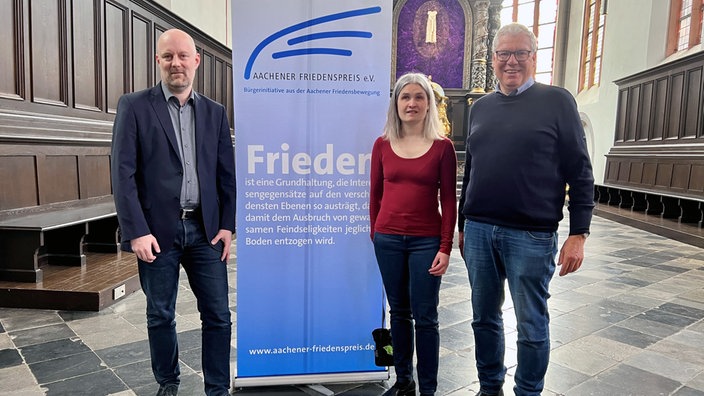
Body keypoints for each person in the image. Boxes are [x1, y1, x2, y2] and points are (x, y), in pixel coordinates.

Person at [457, 23, 594, 396]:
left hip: (531, 235)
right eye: (503, 54)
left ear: (535, 57)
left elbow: (580, 171)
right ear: (495, 59)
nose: (511, 61)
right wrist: (462, 224)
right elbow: (473, 168)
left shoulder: (557, 101)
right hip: (480, 231)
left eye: (520, 53)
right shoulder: (481, 107)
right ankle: (489, 388)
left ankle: (528, 391)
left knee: (532, 323)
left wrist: (578, 234)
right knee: (484, 319)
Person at [111, 28, 236, 396]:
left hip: (205, 232)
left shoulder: (215, 112)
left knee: (218, 316)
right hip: (156, 232)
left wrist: (227, 227)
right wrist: (136, 230)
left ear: (196, 61)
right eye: (168, 57)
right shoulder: (134, 106)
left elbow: (226, 175)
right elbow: (123, 173)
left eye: (183, 56)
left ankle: (216, 388)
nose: (176, 63)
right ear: (158, 61)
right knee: (160, 315)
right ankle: (168, 382)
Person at [370, 72, 457, 396]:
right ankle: (403, 380)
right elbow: (375, 196)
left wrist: (445, 246)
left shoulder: (442, 148)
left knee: (426, 316)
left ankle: (429, 389)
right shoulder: (382, 145)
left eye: (419, 97)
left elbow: (449, 200)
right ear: (396, 103)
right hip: (388, 240)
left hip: (426, 241)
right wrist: (375, 233)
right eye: (405, 97)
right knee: (399, 313)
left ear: (429, 104)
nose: (411, 103)